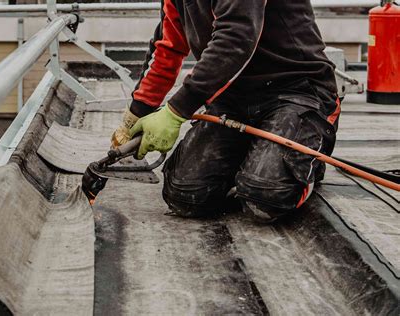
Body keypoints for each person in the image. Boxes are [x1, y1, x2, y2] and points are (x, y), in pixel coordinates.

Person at [111, 0, 341, 223]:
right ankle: (255, 158)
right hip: (233, 99)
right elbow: (167, 48)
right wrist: (136, 115)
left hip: (296, 91)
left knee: (266, 196)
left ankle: (307, 159)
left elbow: (235, 38)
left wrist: (175, 112)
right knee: (185, 195)